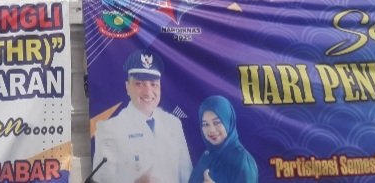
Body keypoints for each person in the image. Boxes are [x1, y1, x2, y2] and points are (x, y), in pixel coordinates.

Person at [92, 50, 192, 183]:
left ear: (160, 87)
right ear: (127, 87)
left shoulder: (173, 124)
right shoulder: (109, 129)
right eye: (139, 84)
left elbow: (187, 175)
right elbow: (101, 180)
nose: (148, 92)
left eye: (153, 84)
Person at [188, 95, 258, 183]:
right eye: (205, 124)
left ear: (228, 121)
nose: (211, 130)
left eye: (216, 122)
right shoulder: (207, 156)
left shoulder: (242, 160)